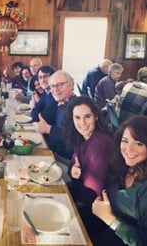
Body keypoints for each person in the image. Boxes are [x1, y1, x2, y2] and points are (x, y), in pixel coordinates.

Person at [63, 96, 114, 239]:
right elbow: (73, 166)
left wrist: (73, 212)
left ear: (96, 116)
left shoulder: (100, 143)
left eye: (87, 116)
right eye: (77, 118)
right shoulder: (82, 137)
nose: (82, 123)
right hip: (83, 198)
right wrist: (73, 170)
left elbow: (92, 191)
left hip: (94, 213)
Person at [92, 115, 147, 246]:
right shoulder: (123, 166)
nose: (129, 149)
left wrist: (110, 219)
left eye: (138, 143)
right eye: (125, 141)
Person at [34, 70, 75, 160]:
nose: (55, 90)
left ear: (71, 85)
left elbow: (75, 137)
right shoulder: (61, 102)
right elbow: (40, 117)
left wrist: (48, 129)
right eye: (52, 86)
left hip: (67, 160)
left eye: (60, 85)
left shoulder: (77, 106)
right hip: (54, 152)